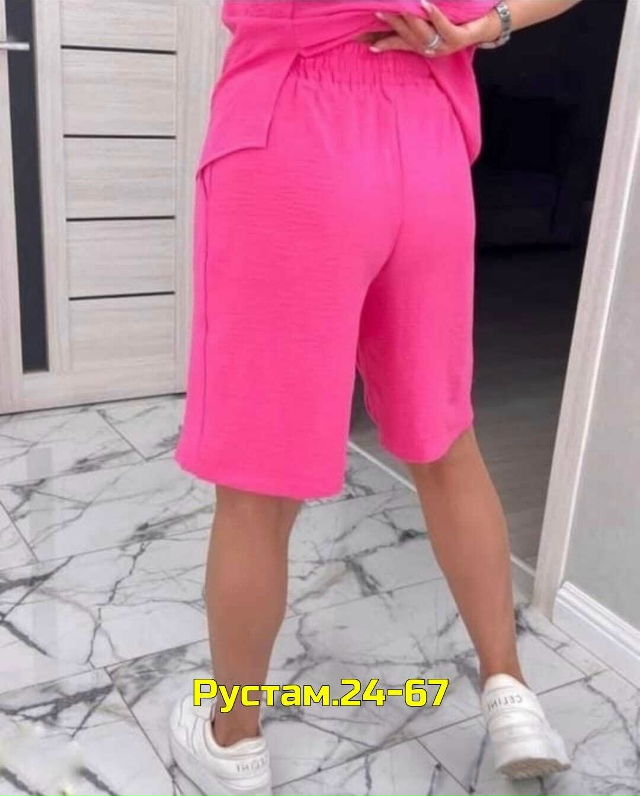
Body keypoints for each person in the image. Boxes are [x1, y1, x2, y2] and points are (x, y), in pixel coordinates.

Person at [170, 1, 584, 793]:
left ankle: (234, 739)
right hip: (427, 143)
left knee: (259, 472)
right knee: (446, 438)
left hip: (294, 126)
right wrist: (490, 22)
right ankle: (513, 696)